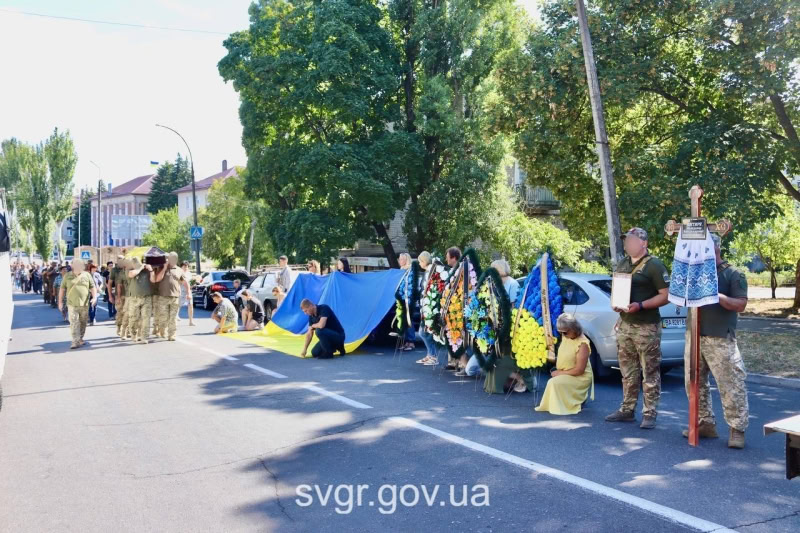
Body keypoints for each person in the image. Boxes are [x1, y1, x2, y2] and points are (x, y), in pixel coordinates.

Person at [682, 233, 749, 449]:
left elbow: (740, 304)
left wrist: (716, 295)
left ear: (715, 248)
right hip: (694, 336)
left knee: (731, 385)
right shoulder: (694, 272)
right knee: (694, 384)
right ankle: (705, 423)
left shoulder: (733, 274)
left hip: (720, 338)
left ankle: (737, 429)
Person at [606, 227, 670, 429]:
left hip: (646, 326)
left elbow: (666, 295)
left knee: (650, 370)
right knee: (627, 370)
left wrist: (641, 306)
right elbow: (619, 289)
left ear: (644, 243)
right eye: (626, 241)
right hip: (626, 324)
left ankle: (649, 413)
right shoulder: (624, 263)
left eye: (632, 240)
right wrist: (617, 307)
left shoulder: (654, 266)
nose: (628, 244)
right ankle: (627, 409)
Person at [535, 314, 594, 415]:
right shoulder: (567, 335)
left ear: (574, 328)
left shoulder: (583, 344)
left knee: (553, 382)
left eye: (565, 332)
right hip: (567, 372)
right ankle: (567, 401)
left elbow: (580, 370)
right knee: (553, 382)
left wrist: (559, 373)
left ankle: (577, 400)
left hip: (579, 377)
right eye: (560, 332)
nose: (563, 334)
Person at [152, 252, 191, 341]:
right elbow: (157, 279)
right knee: (163, 317)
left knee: (173, 318)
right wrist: (164, 268)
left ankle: (172, 334)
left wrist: (188, 293)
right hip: (162, 297)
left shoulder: (179, 270)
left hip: (175, 297)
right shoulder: (161, 268)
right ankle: (162, 330)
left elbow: (185, 283)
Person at [58, 258, 97, 349]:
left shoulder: (87, 275)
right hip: (72, 304)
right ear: (72, 266)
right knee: (74, 322)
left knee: (83, 322)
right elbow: (62, 289)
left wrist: (94, 297)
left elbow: (92, 287)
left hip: (84, 304)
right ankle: (75, 341)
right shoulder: (67, 276)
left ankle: (80, 338)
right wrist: (60, 302)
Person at [415, 252, 440, 366]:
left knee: (424, 333)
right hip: (426, 307)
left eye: (420, 261)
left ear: (424, 261)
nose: (419, 264)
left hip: (429, 308)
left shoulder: (431, 271)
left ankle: (433, 356)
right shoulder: (428, 271)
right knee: (424, 332)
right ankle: (430, 355)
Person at [126, 257, 154, 344]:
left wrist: (151, 270)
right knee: (133, 319)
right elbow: (131, 274)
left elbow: (153, 280)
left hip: (146, 298)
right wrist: (140, 267)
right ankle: (134, 335)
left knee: (146, 318)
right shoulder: (129, 270)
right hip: (134, 298)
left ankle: (144, 337)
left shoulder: (147, 271)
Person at [397, 252, 417, 351]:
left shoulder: (409, 270)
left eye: (401, 259)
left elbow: (409, 286)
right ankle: (406, 341)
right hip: (401, 299)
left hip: (408, 299)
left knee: (409, 320)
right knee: (404, 320)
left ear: (406, 260)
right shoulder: (401, 270)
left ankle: (411, 342)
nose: (399, 261)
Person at [110, 257, 128, 337]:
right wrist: (110, 296)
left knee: (128, 313)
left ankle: (127, 331)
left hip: (129, 295)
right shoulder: (114, 270)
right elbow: (109, 284)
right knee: (120, 313)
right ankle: (119, 328)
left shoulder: (129, 268)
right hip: (119, 295)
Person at [180, 261, 195, 326]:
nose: (186, 267)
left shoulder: (189, 274)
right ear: (181, 266)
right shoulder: (179, 273)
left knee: (190, 305)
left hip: (189, 292)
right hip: (180, 291)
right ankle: (174, 319)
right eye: (184, 266)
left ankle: (191, 321)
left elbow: (191, 283)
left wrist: (193, 284)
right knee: (178, 306)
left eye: (187, 266)